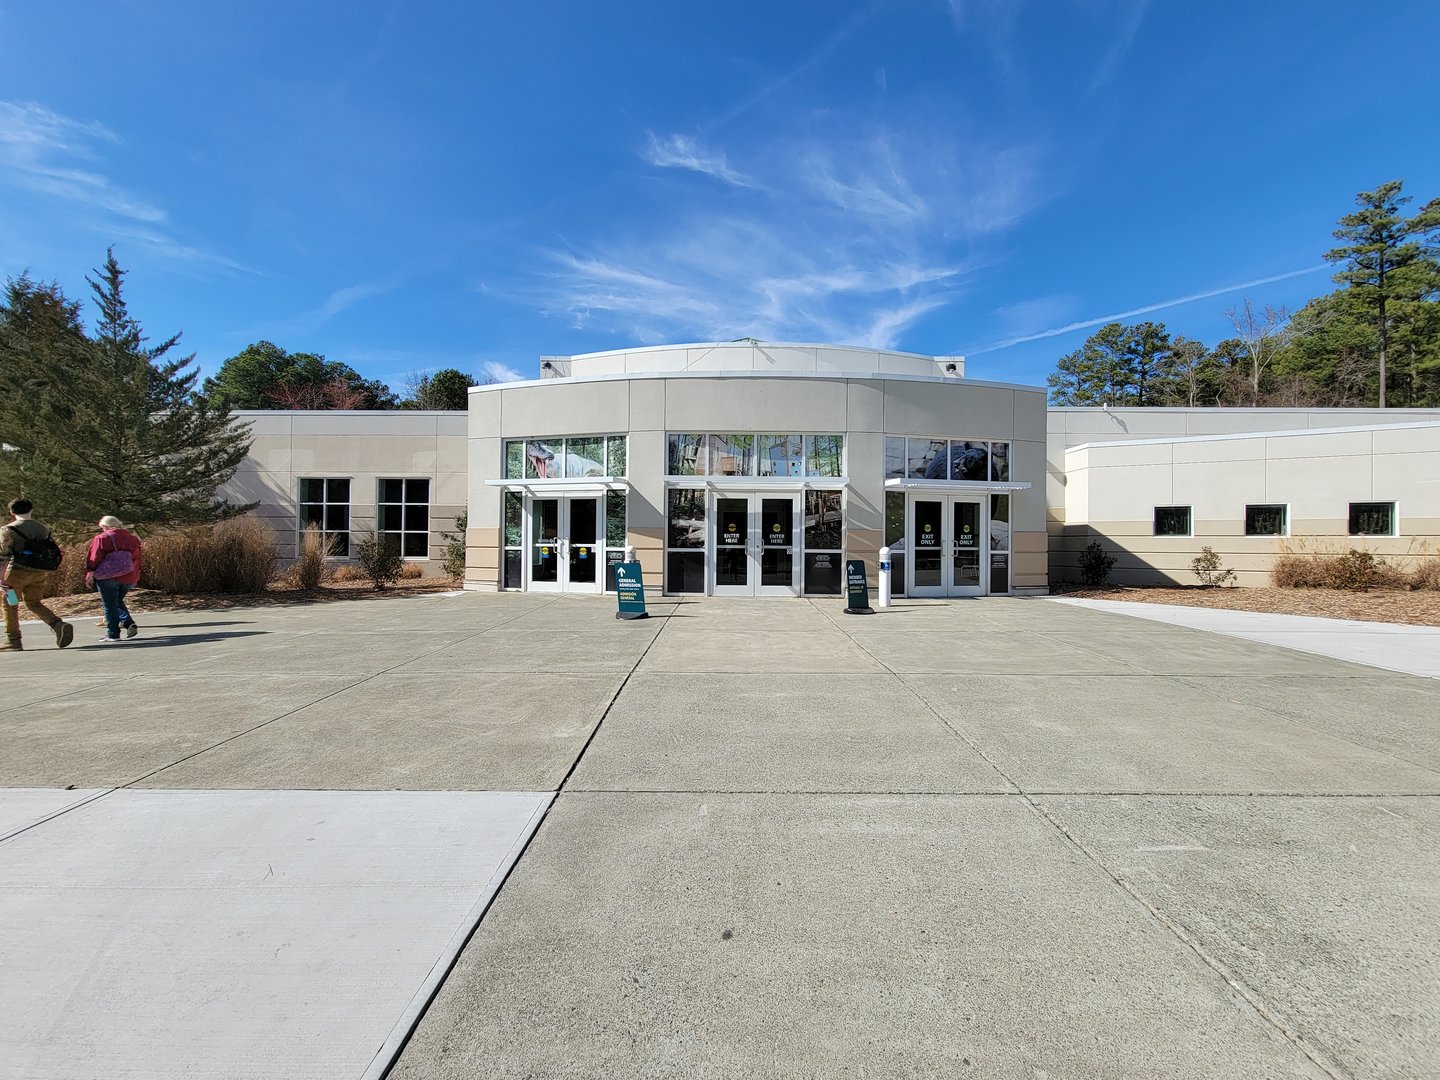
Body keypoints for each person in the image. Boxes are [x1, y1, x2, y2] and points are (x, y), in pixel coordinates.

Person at [0, 498, 74, 651]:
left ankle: (13, 640)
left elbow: (4, 556)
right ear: (31, 510)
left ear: (12, 512)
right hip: (39, 573)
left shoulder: (8, 530)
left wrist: (1, 578)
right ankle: (57, 624)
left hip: (15, 574)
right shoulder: (43, 528)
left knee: (10, 604)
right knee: (33, 602)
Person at [85, 515, 143, 644]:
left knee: (110, 605)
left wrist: (90, 574)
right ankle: (128, 623)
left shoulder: (102, 538)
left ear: (105, 526)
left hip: (107, 576)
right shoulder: (132, 538)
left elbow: (94, 558)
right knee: (116, 601)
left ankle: (113, 633)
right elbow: (137, 558)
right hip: (128, 575)